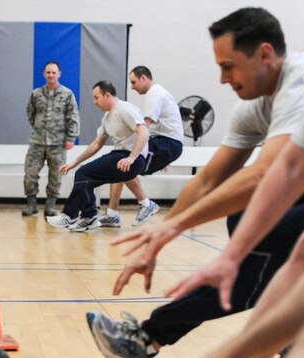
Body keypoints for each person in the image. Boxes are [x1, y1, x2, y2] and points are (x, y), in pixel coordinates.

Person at [86, 7, 304, 358]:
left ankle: (160, 343)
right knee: (264, 232)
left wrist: (206, 247)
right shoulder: (256, 107)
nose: (220, 80)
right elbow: (210, 178)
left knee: (280, 240)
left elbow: (272, 173)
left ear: (265, 55)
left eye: (227, 66)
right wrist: (166, 229)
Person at [46, 81, 149, 232]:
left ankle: (71, 215)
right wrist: (74, 162)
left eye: (96, 97)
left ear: (107, 95)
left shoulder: (125, 108)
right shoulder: (107, 117)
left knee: (85, 174)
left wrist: (132, 158)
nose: (94, 102)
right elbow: (96, 144)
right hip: (121, 156)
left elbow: (144, 133)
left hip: (131, 159)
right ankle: (89, 218)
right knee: (85, 177)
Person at [101, 66, 184, 227]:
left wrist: (130, 146)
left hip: (167, 143)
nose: (132, 87)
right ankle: (112, 213)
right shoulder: (157, 93)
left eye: (133, 82)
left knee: (125, 164)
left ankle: (146, 204)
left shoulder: (155, 94)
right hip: (163, 142)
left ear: (144, 78)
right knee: (120, 162)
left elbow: (144, 125)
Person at [22, 61, 80, 217]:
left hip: (58, 143)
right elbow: (30, 114)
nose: (51, 75)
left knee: (56, 176)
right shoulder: (36, 94)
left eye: (54, 72)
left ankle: (50, 206)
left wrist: (71, 137)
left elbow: (73, 116)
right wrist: (40, 128)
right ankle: (31, 204)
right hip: (37, 142)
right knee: (30, 173)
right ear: (44, 74)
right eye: (48, 72)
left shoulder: (67, 94)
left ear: (59, 74)